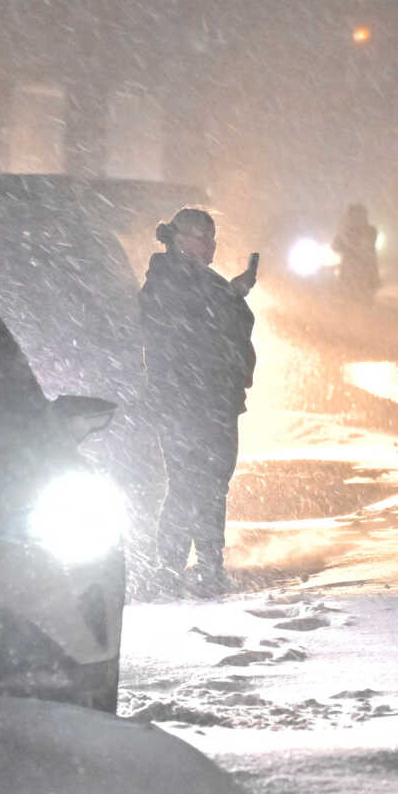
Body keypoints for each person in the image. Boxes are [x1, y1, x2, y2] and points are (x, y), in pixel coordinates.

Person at [138, 207, 256, 596]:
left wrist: (233, 295)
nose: (211, 246)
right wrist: (232, 296)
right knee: (191, 484)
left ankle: (201, 565)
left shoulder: (200, 281)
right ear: (180, 240)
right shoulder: (168, 281)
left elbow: (223, 325)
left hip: (212, 401)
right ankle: (177, 567)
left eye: (213, 238)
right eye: (203, 237)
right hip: (186, 402)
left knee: (208, 485)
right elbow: (197, 327)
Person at [334, 202, 380, 302]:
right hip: (353, 269)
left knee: (365, 298)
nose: (358, 218)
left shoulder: (370, 230)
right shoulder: (346, 231)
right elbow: (336, 246)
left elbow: (369, 244)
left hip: (365, 269)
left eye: (360, 215)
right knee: (351, 297)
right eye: (355, 215)